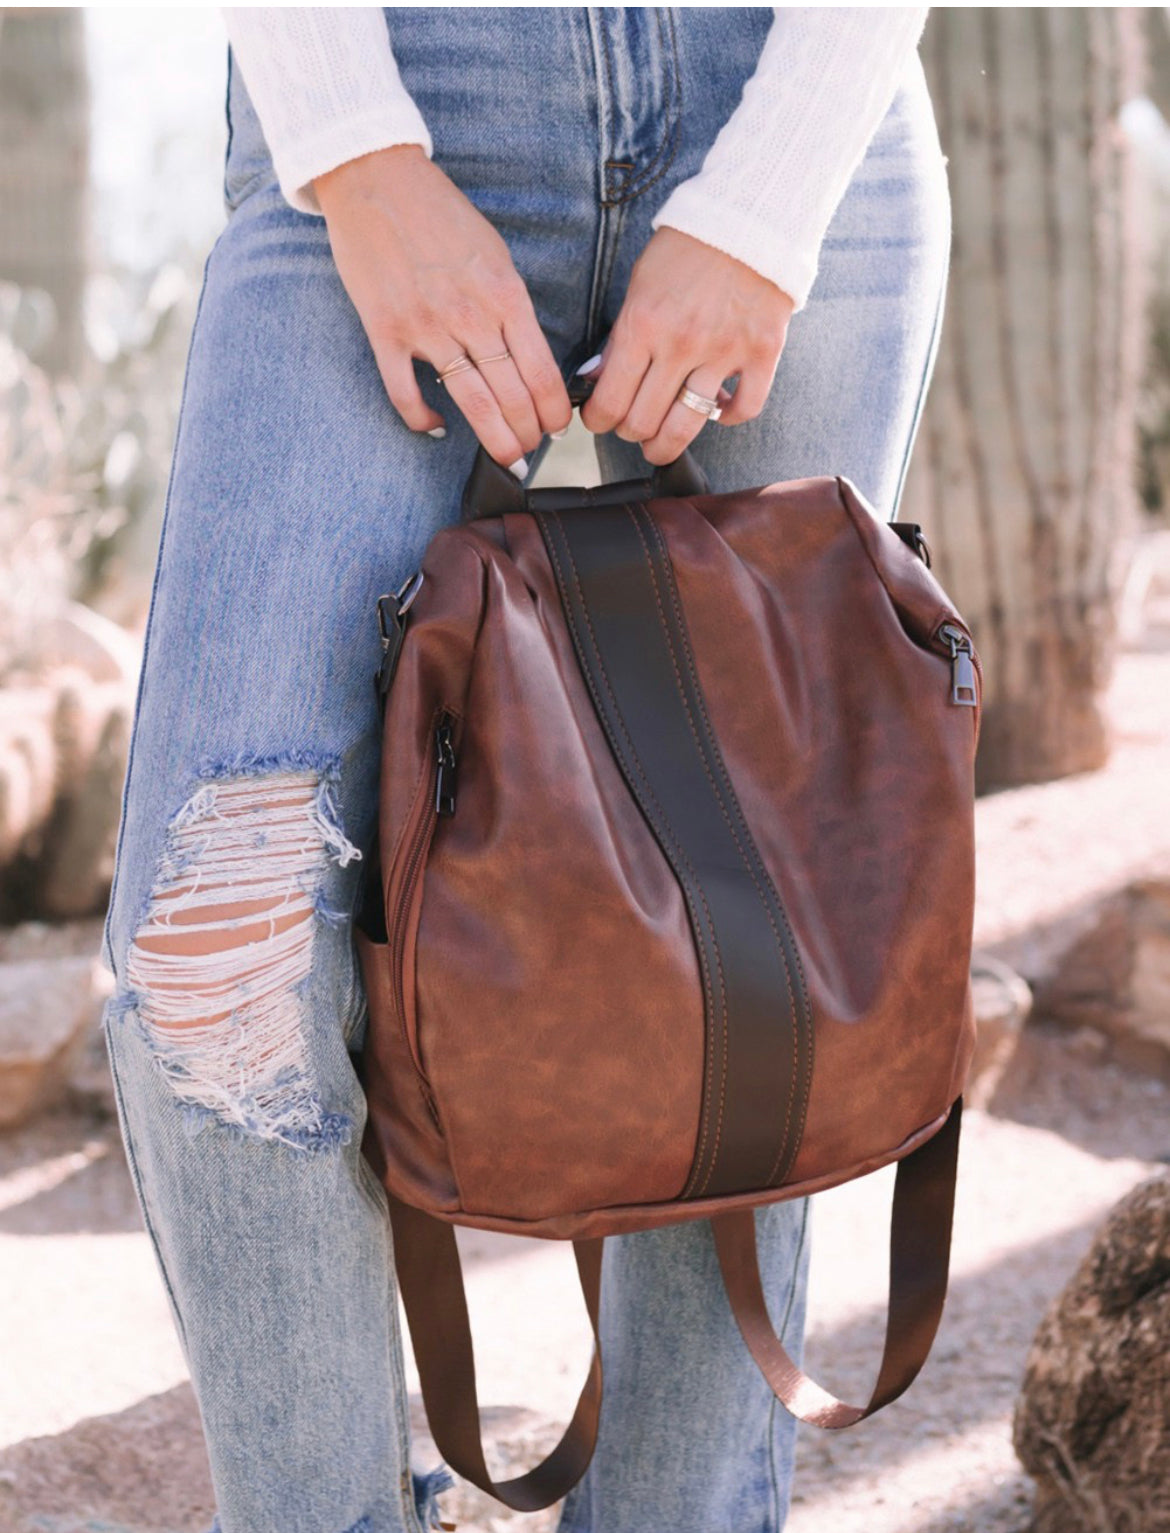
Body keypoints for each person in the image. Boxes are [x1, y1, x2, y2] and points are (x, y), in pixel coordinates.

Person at [99, 9, 947, 1532]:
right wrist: (361, 160)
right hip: (389, 110)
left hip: (782, 100)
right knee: (209, 946)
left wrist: (762, 200)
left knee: (750, 938)